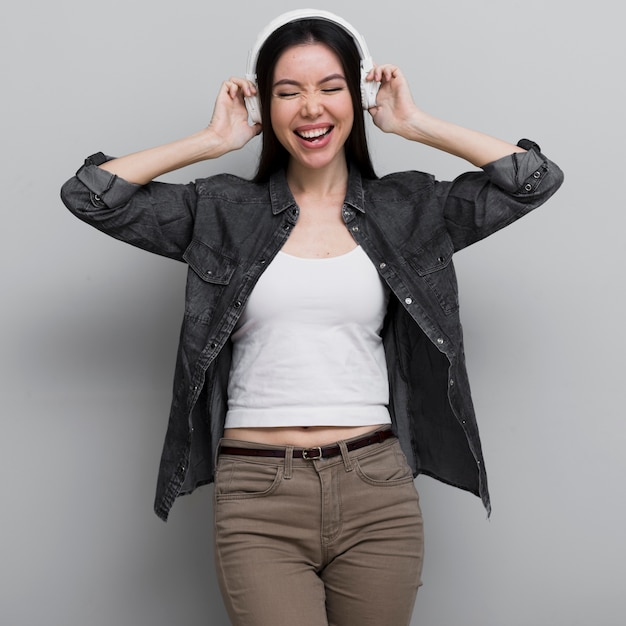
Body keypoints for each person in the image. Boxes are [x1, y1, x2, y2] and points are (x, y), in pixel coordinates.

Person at [60, 9, 563, 626]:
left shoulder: (407, 208)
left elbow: (533, 181)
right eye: (287, 92)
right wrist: (213, 141)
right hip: (257, 495)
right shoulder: (221, 209)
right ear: (264, 105)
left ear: (359, 95)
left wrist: (414, 124)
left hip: (376, 486)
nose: (310, 109)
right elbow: (88, 195)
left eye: (331, 88)